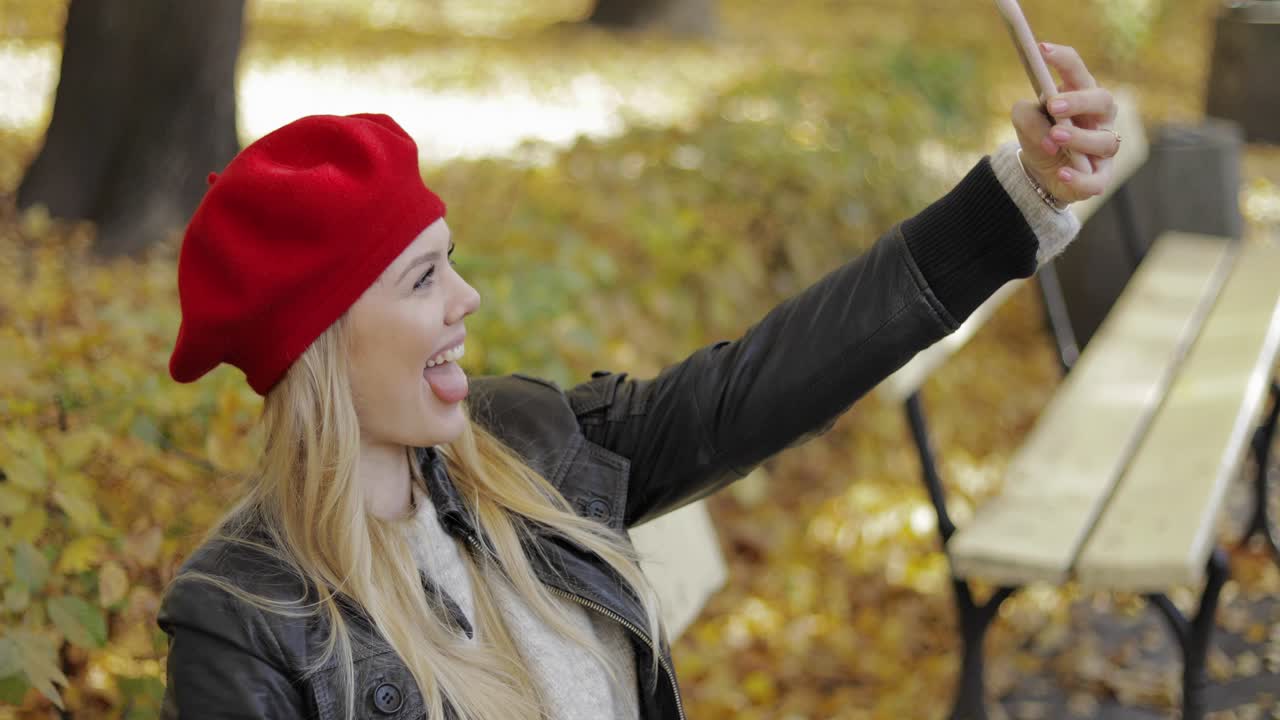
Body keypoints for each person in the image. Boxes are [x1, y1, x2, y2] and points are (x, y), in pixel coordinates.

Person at [157, 42, 1119, 719]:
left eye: (451, 261)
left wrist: (1021, 193)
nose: (468, 298)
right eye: (422, 280)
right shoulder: (245, 622)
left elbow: (760, 384)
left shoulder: (524, 445)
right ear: (322, 345)